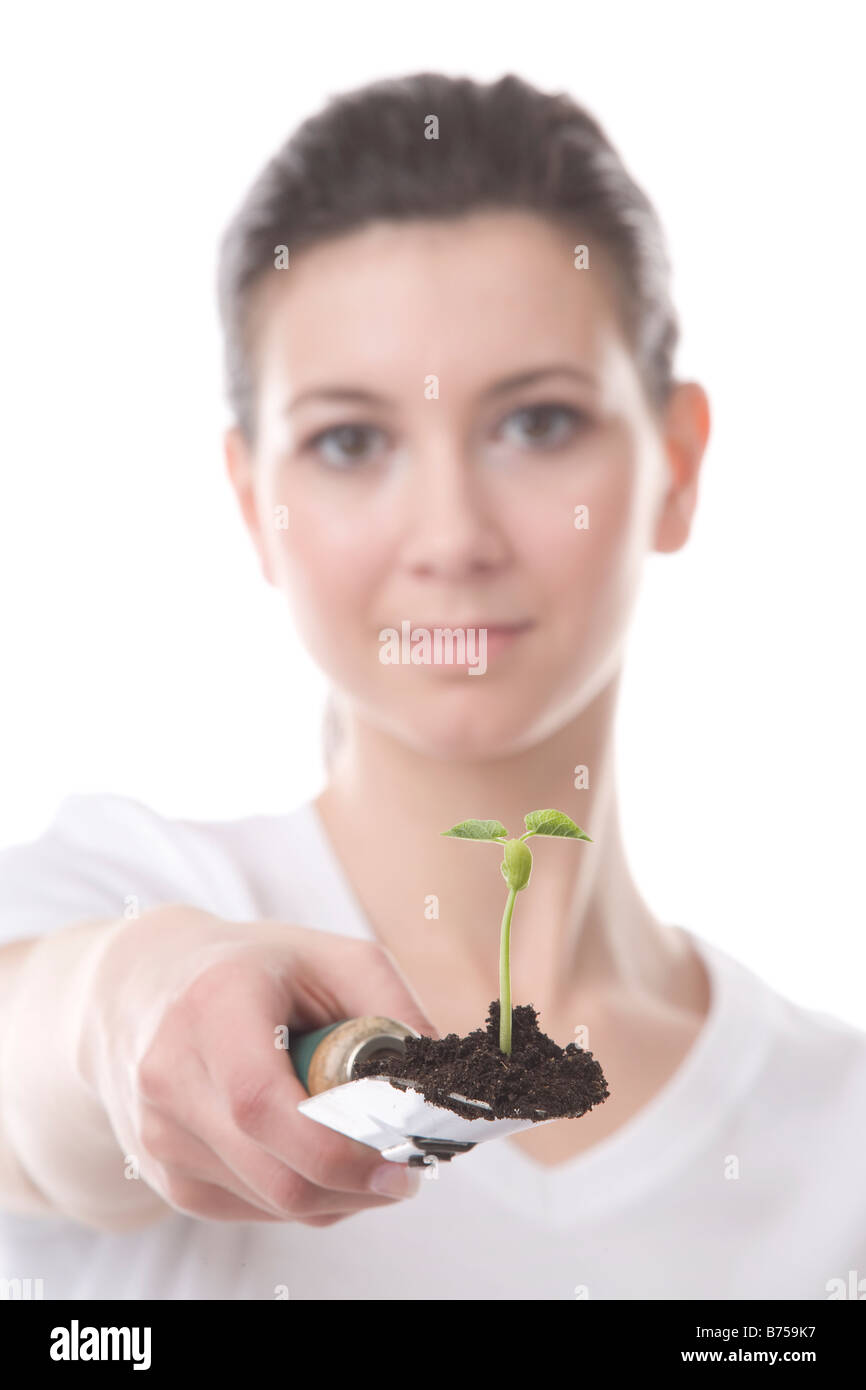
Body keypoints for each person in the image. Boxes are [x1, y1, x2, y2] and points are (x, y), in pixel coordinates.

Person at [1, 70, 864, 1302]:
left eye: (535, 423)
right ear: (256, 504)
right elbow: (34, 1067)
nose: (450, 534)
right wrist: (125, 1006)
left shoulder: (837, 1133)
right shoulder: (121, 897)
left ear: (675, 463)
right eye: (351, 442)